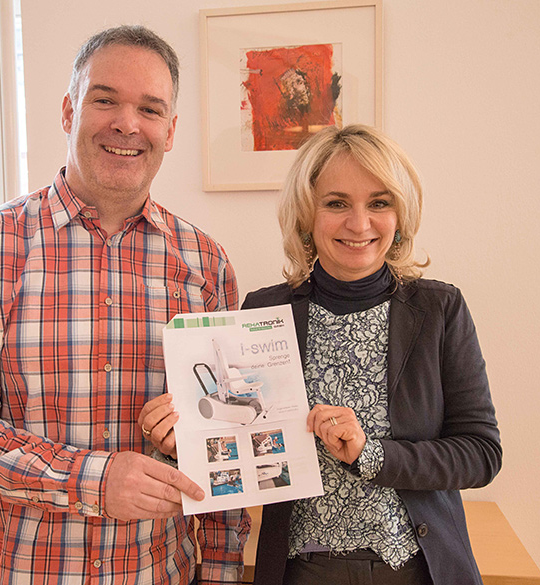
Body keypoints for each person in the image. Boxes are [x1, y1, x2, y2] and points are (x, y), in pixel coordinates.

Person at [0, 25, 249, 585]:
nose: (127, 123)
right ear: (70, 110)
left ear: (170, 132)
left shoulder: (206, 266)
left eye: (149, 109)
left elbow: (233, 442)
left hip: (162, 572)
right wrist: (92, 481)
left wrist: (219, 569)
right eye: (105, 100)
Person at [140, 124, 501, 585]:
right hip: (300, 570)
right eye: (336, 203)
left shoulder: (439, 309)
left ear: (400, 212)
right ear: (307, 213)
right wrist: (182, 449)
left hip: (416, 569)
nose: (359, 223)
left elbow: (481, 453)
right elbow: (242, 447)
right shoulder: (264, 309)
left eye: (379, 202)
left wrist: (372, 455)